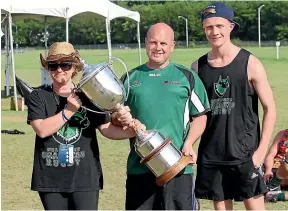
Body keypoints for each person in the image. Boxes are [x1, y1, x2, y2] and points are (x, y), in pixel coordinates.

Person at [27, 42, 144, 210]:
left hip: (85, 177)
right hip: (50, 178)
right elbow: (42, 130)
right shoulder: (38, 96)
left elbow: (106, 128)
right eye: (53, 65)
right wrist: (69, 110)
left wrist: (133, 132)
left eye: (65, 64)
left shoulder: (90, 95)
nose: (59, 70)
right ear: (48, 69)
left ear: (74, 67)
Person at [112, 22, 210, 210]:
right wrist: (121, 119)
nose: (158, 48)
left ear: (172, 46)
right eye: (153, 42)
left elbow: (200, 116)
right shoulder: (130, 78)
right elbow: (114, 119)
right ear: (145, 43)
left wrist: (189, 142)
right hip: (139, 167)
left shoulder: (186, 76)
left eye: (163, 43)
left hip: (178, 166)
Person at [190, 2, 277, 210]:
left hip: (246, 154)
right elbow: (193, 112)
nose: (214, 32)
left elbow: (270, 109)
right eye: (209, 27)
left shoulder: (250, 63)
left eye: (219, 26)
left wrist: (261, 151)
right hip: (212, 155)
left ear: (230, 26)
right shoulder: (197, 67)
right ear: (204, 29)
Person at [264, 129, 288, 202]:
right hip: (275, 171)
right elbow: (270, 155)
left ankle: (276, 195)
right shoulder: (282, 134)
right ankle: (273, 186)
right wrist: (268, 170)